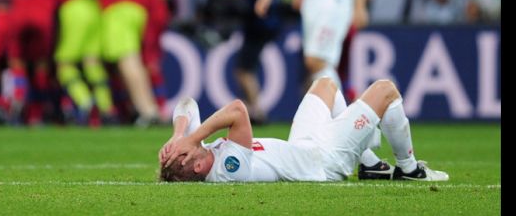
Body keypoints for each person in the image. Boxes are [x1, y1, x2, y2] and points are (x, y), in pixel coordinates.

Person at [159, 78, 449, 182]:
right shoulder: (228, 170)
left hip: (303, 146)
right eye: (188, 151)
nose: (191, 144)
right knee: (386, 91)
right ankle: (410, 169)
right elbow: (237, 109)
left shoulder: (199, 155)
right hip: (324, 162)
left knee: (325, 84)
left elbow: (187, 104)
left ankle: (369, 164)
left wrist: (177, 136)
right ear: (197, 167)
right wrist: (193, 138)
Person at [212, 0, 279, 124]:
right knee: (246, 67)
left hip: (259, 23)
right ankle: (252, 110)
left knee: (244, 68)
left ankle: (257, 111)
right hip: (264, 22)